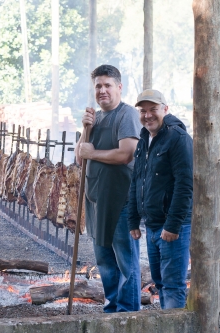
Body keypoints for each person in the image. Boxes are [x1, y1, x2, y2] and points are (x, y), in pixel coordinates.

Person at [75, 64, 142, 312]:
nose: (102, 90)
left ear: (119, 87)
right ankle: (113, 309)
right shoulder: (95, 117)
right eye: (98, 86)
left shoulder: (127, 115)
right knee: (105, 262)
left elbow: (126, 154)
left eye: (107, 85)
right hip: (95, 202)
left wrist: (94, 152)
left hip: (120, 202)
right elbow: (80, 158)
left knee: (127, 262)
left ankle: (129, 315)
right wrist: (86, 130)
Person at [128, 89, 193, 309]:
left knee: (173, 284)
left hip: (172, 226)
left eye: (153, 109)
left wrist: (173, 225)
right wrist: (133, 220)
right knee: (160, 283)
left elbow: (185, 186)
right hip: (153, 226)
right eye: (143, 111)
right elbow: (137, 180)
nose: (148, 115)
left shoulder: (178, 138)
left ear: (165, 109)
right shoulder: (144, 138)